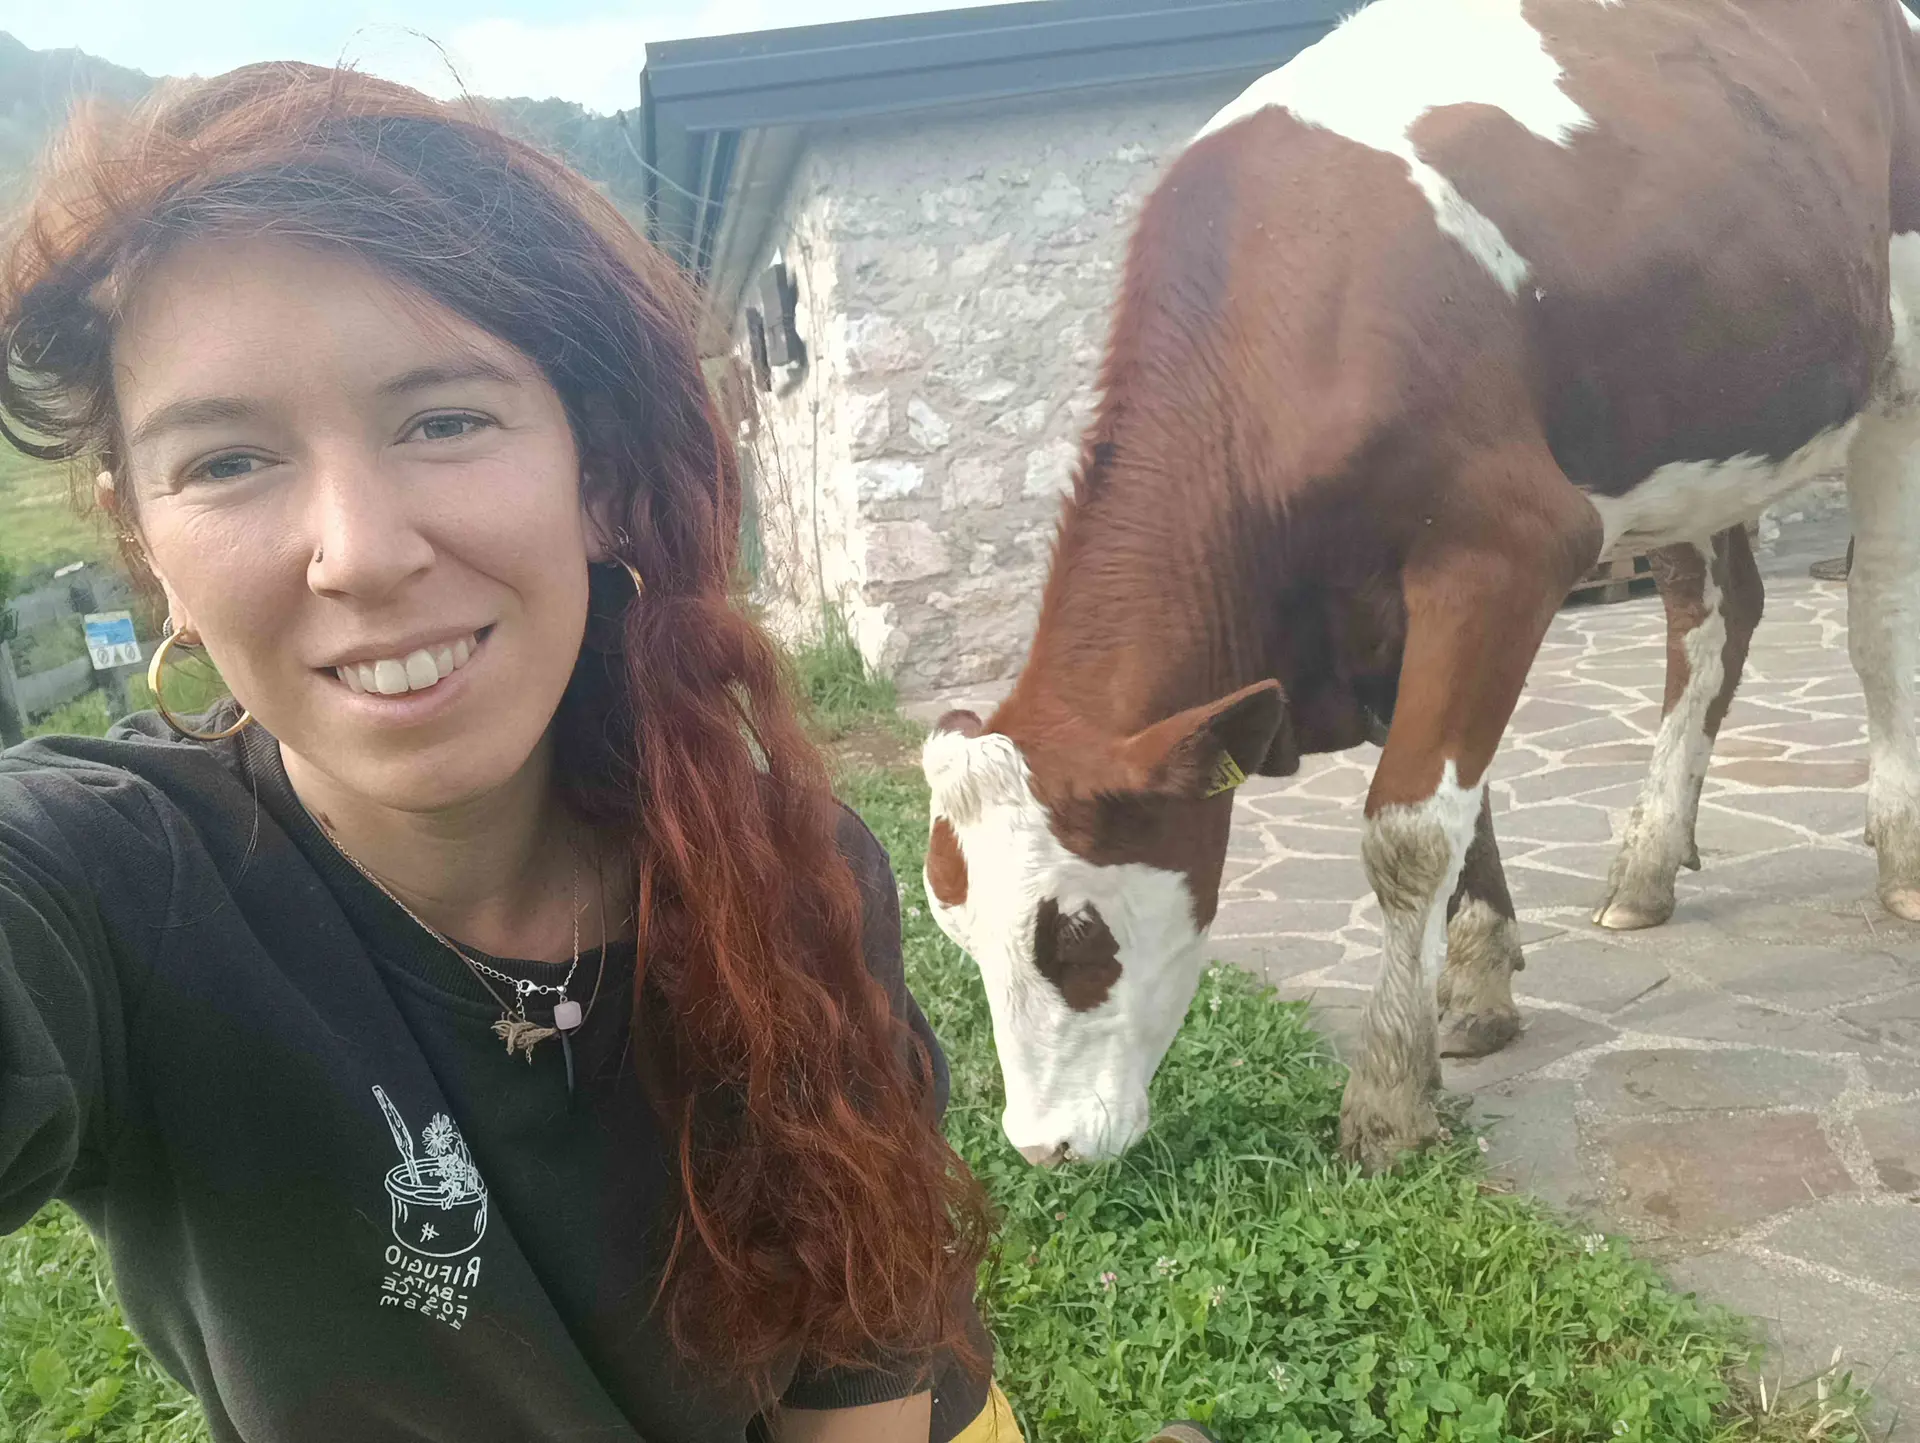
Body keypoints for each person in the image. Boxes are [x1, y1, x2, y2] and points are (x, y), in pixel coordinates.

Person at [0, 63, 1012, 1443]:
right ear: (145, 542)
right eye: (228, 460)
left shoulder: (783, 862)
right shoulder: (110, 891)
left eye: (446, 420)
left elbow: (860, 1362)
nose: (361, 553)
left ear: (594, 473)